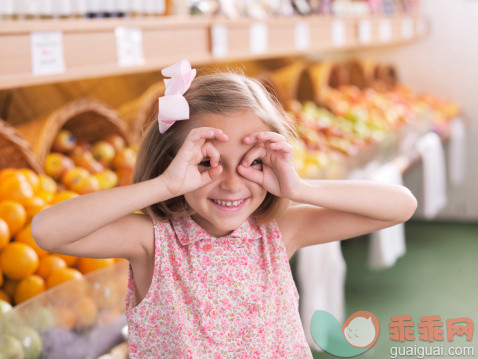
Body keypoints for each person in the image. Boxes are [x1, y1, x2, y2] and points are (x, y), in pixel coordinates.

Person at [32, 59, 417, 358]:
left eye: (253, 163)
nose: (232, 183)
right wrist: (164, 185)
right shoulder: (154, 242)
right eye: (206, 163)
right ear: (172, 160)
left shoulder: (280, 232)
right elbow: (48, 231)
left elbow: (400, 205)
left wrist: (300, 187)